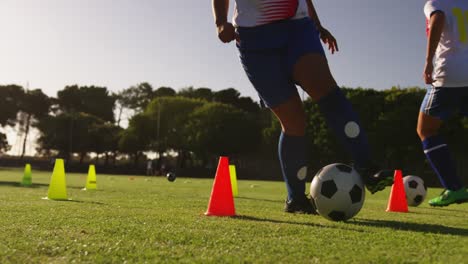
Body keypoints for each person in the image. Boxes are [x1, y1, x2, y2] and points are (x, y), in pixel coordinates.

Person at [212, 0, 393, 214]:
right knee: (294, 122)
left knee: (325, 89)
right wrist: (220, 22)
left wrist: (318, 26)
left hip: (297, 28)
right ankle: (296, 199)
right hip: (254, 40)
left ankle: (366, 166)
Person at [418, 0, 468, 207]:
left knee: (426, 129)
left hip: (450, 76)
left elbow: (438, 19)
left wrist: (428, 61)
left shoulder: (435, 3)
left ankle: (454, 188)